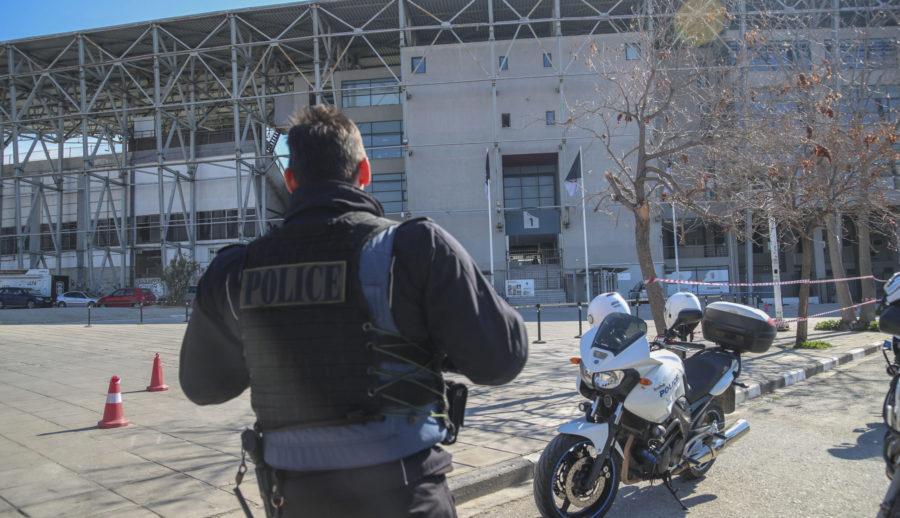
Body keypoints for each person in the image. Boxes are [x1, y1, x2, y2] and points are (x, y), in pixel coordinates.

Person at [179, 105, 528, 517]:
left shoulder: (235, 271)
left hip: (295, 500)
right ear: (364, 172)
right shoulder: (415, 249)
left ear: (291, 181)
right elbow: (501, 359)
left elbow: (202, 386)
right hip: (407, 496)